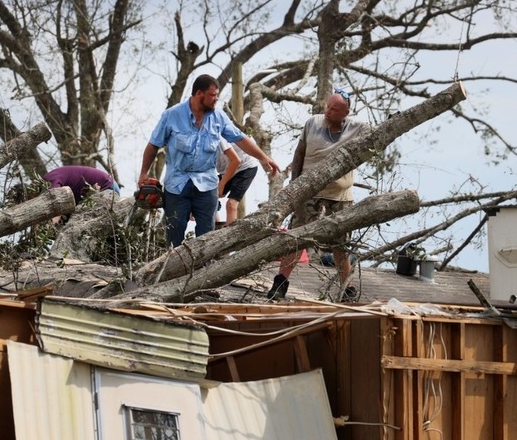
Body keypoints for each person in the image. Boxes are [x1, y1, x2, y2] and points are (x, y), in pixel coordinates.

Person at [138, 74, 280, 247]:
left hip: (206, 184)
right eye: (213, 95)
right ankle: (172, 271)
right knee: (175, 233)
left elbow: (241, 139)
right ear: (199, 94)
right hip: (177, 184)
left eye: (217, 95)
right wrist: (144, 173)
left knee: (206, 236)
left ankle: (203, 271)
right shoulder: (171, 115)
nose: (216, 99)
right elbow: (153, 145)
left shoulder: (218, 117)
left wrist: (265, 158)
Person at [267, 89, 370, 302]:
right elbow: (299, 152)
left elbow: (379, 135)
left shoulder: (358, 128)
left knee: (340, 246)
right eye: (328, 106)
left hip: (340, 197)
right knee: (296, 240)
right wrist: (295, 185)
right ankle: (280, 283)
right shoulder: (313, 123)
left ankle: (346, 287)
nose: (328, 111)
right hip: (309, 194)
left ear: (346, 112)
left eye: (334, 109)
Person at [216, 138, 259, 225]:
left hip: (245, 167)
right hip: (226, 169)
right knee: (207, 197)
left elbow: (236, 161)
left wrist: (222, 184)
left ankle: (231, 235)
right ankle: (214, 226)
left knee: (231, 204)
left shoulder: (219, 139)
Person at [42, 165, 121, 204]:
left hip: (107, 186)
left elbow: (57, 204)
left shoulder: (49, 180)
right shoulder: (50, 181)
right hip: (86, 194)